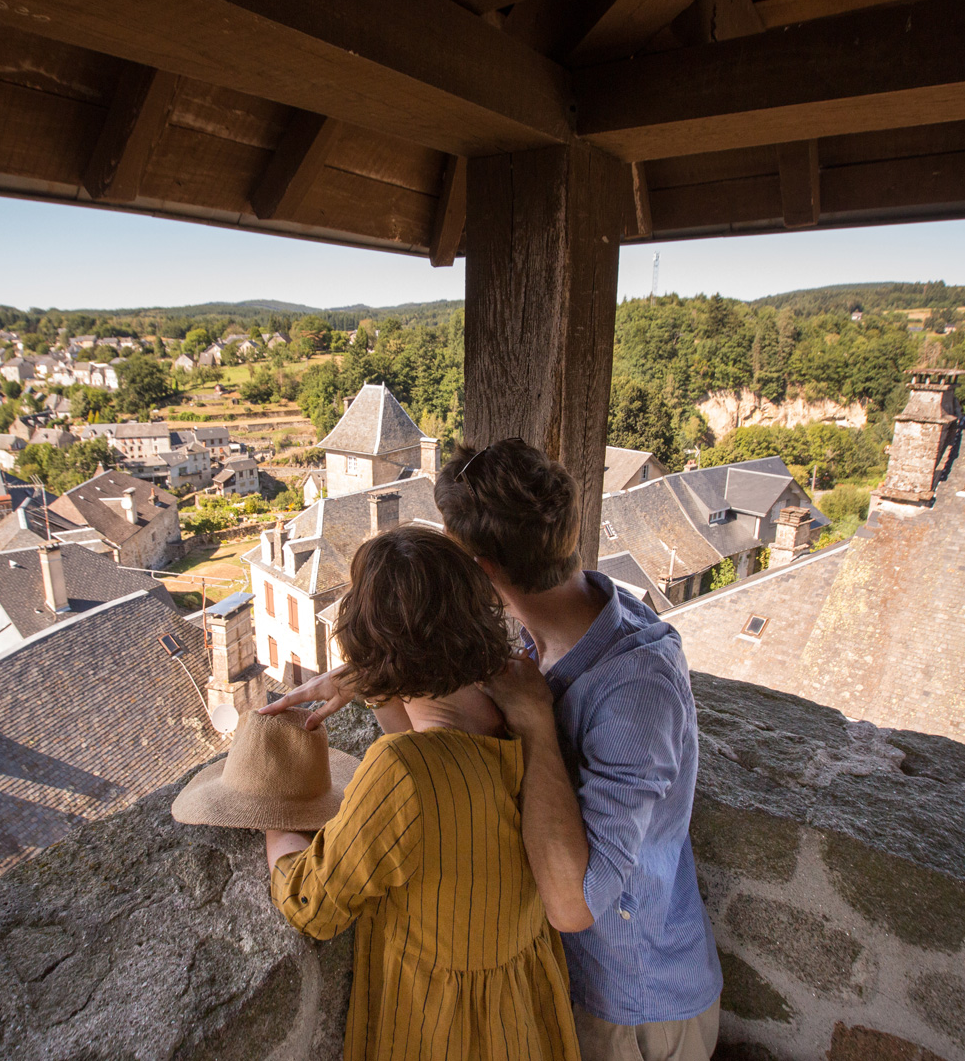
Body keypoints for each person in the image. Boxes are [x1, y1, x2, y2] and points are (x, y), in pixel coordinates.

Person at [264, 440, 722, 1061]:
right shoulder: (539, 637)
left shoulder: (634, 691)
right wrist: (367, 673)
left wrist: (535, 723)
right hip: (543, 987)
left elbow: (572, 905)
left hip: (627, 1002)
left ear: (477, 570)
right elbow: (449, 661)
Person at [265, 524, 580, 1061]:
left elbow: (311, 905)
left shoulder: (402, 772)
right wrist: (369, 678)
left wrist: (274, 815)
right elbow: (429, 756)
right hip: (523, 1007)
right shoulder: (516, 715)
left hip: (441, 1027)